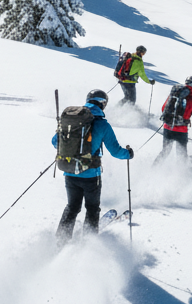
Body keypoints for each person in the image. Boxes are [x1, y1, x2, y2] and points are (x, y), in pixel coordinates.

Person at [52, 89, 134, 242]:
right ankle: (89, 242)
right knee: (92, 209)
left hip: (69, 172)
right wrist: (128, 154)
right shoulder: (102, 125)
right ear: (102, 104)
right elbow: (116, 151)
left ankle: (60, 241)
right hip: (91, 175)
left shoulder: (71, 120)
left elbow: (54, 141)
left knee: (72, 207)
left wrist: (71, 148)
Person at [159, 75, 192, 158]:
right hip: (181, 130)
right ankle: (182, 170)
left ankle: (154, 168)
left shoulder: (174, 93)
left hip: (168, 127)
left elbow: (163, 108)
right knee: (181, 155)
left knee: (165, 152)